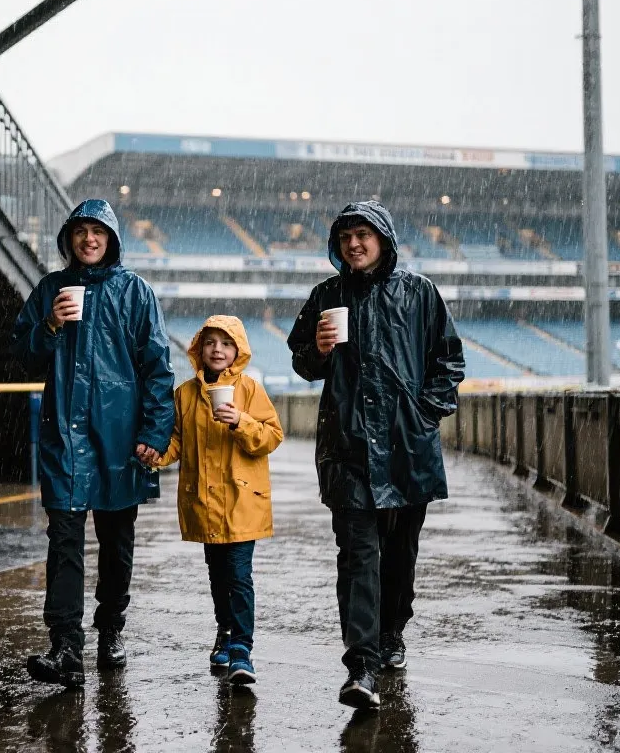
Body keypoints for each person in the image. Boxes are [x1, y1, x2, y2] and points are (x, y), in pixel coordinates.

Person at [286, 200, 465, 709]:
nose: (354, 244)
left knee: (400, 556)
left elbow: (449, 360)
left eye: (363, 235)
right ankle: (360, 665)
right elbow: (302, 362)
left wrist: (424, 412)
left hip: (408, 448)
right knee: (358, 555)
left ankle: (392, 633)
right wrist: (318, 350)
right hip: (347, 447)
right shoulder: (326, 295)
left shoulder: (420, 293)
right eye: (345, 237)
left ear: (383, 239)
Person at [11, 199, 175, 689]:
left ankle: (111, 629)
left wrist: (153, 433)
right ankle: (65, 646)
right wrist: (51, 327)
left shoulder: (136, 293)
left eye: (97, 231)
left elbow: (158, 368)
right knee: (63, 542)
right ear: (69, 239)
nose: (89, 239)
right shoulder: (49, 291)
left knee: (116, 543)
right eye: (80, 231)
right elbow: (23, 357)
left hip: (120, 440)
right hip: (64, 437)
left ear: (111, 239)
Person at [154, 315, 284, 685]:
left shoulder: (250, 390)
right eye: (210, 342)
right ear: (199, 348)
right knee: (217, 576)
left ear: (237, 352)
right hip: (205, 503)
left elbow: (272, 437)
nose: (217, 349)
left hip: (242, 501)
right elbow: (177, 442)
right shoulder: (185, 394)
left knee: (239, 576)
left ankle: (242, 648)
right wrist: (156, 456)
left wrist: (240, 422)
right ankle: (225, 631)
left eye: (226, 344)